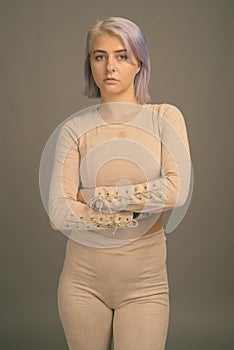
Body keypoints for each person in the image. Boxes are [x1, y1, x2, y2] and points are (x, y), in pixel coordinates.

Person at [48, 16, 192, 350]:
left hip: (145, 286)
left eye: (122, 55)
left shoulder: (165, 118)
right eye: (100, 56)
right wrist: (123, 216)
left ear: (139, 62)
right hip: (81, 284)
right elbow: (58, 212)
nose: (110, 66)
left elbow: (177, 191)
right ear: (91, 64)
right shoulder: (74, 130)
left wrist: (95, 197)